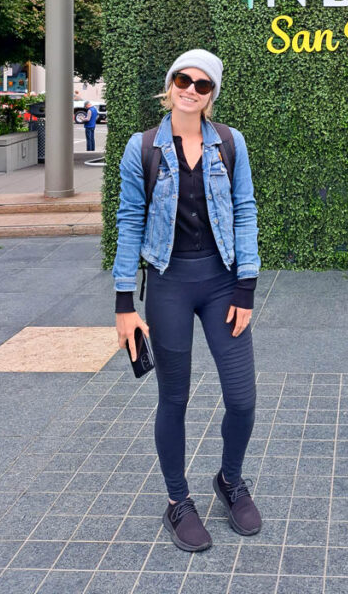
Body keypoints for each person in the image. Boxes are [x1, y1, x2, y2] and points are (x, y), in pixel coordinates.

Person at [112, 49, 261, 553]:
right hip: (169, 284)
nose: (191, 90)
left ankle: (230, 480)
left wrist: (246, 287)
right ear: (170, 83)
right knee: (173, 398)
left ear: (211, 94)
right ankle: (178, 500)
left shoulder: (230, 144)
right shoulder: (143, 147)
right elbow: (130, 221)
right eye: (183, 79)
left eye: (202, 85)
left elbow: (245, 212)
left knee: (242, 399)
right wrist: (123, 303)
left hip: (222, 284)